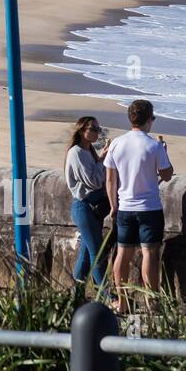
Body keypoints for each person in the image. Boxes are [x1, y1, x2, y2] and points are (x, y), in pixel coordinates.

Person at [104, 99, 174, 312]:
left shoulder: (117, 143)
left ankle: (122, 302)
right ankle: (151, 302)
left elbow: (110, 180)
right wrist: (164, 150)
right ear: (149, 119)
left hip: (125, 207)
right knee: (149, 254)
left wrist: (113, 205)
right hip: (149, 208)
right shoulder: (153, 145)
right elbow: (167, 174)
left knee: (122, 254)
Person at [65, 116, 111, 289]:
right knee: (97, 254)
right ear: (82, 130)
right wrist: (103, 160)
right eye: (93, 129)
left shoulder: (87, 151)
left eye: (98, 129)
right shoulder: (76, 152)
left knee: (85, 255)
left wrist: (100, 159)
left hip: (91, 208)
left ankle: (76, 295)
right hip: (84, 207)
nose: (97, 132)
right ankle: (106, 294)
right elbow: (94, 181)